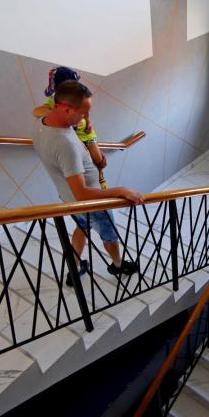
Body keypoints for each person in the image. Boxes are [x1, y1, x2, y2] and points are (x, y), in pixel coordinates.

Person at [34, 80, 143, 285]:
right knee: (110, 236)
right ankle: (118, 265)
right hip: (91, 203)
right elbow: (82, 193)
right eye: (83, 112)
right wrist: (120, 190)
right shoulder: (65, 144)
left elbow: (38, 111)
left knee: (82, 227)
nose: (86, 118)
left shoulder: (42, 122)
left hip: (68, 198)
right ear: (66, 109)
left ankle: (74, 270)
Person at [32, 66, 108, 188]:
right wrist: (55, 114)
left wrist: (88, 123)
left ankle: (100, 175)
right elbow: (36, 111)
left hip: (85, 134)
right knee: (78, 163)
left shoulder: (80, 99)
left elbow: (86, 113)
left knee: (99, 160)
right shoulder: (54, 100)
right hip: (73, 136)